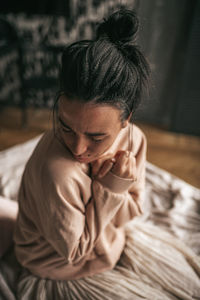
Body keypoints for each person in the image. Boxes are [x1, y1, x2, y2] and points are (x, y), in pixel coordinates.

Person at [14, 9, 200, 300]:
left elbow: (133, 210)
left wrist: (110, 197)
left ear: (126, 120)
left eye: (96, 137)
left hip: (109, 243)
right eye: (65, 126)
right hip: (57, 265)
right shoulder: (56, 172)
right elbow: (74, 253)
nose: (77, 149)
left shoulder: (135, 140)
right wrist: (110, 189)